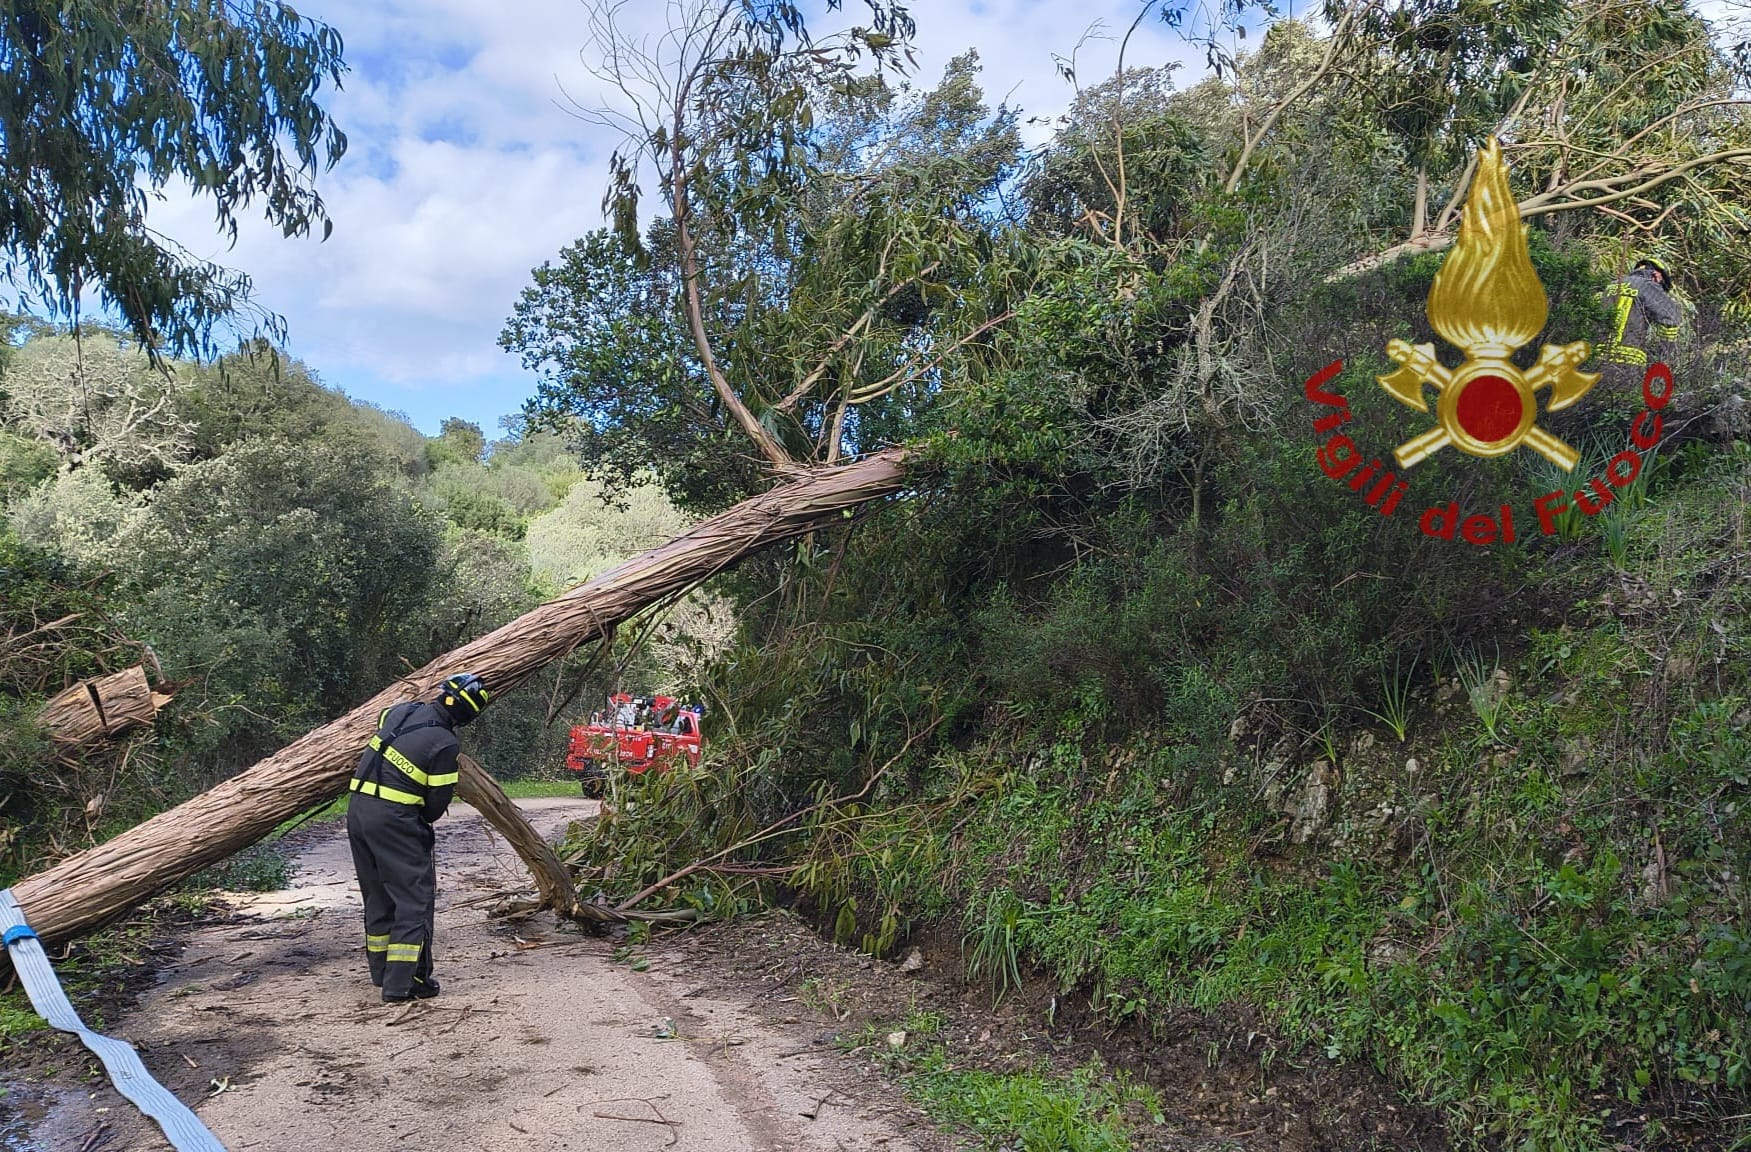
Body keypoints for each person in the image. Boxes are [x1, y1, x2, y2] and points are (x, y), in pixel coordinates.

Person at [346, 672, 490, 1003]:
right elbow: (436, 804)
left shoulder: (401, 711)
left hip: (357, 811)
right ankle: (405, 983)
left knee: (377, 894)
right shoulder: (445, 744)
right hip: (394, 820)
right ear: (469, 715)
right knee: (413, 899)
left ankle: (381, 972)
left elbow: (383, 726)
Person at [1597, 258, 1682, 371]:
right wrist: (1663, 353)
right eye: (1662, 284)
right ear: (1656, 275)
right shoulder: (1648, 285)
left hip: (1598, 357)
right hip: (1628, 360)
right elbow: (1671, 317)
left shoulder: (1611, 286)